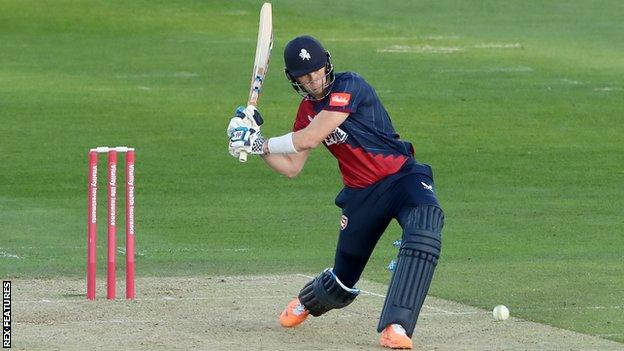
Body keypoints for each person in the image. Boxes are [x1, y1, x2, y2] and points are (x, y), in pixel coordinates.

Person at [227, 35, 444, 350]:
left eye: (318, 69)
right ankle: (306, 301)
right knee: (342, 282)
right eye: (306, 74)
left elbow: (310, 139)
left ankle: (396, 326)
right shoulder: (306, 110)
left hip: (402, 178)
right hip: (361, 196)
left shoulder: (349, 85)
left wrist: (258, 142)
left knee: (426, 227)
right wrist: (249, 140)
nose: (314, 78)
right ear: (295, 79)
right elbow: (291, 167)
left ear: (327, 64)